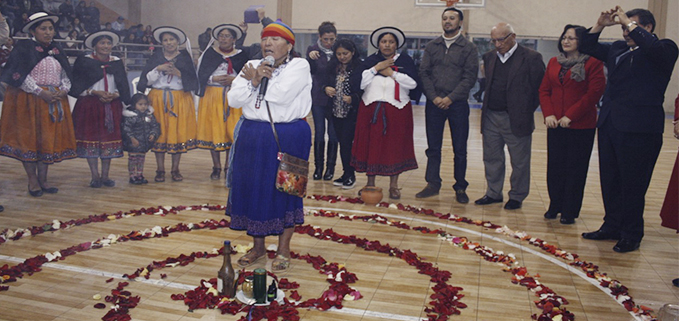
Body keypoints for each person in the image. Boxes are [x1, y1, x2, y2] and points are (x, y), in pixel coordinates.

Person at [579, 6, 678, 252]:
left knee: (633, 184)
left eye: (630, 26)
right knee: (610, 179)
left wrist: (628, 22)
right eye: (623, 27)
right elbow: (589, 46)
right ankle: (611, 225)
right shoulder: (618, 49)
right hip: (611, 123)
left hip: (641, 128)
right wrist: (601, 23)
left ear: (648, 27)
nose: (625, 31)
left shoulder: (664, 48)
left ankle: (631, 233)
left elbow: (653, 48)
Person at [226, 20, 311, 273]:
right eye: (265, 39)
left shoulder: (300, 65)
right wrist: (253, 81)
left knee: (287, 189)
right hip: (252, 134)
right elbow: (233, 99)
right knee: (254, 189)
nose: (268, 44)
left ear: (289, 44)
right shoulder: (252, 65)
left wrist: (257, 81)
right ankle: (258, 247)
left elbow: (282, 95)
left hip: (289, 134)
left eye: (275, 39)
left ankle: (284, 249)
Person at [0, 12, 76, 197]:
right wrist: (41, 92)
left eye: (50, 28)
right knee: (30, 141)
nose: (48, 32)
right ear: (33, 31)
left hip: (53, 100)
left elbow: (66, 75)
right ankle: (32, 181)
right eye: (43, 28)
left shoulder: (57, 49)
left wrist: (63, 90)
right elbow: (19, 76)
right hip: (30, 101)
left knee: (46, 140)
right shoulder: (24, 48)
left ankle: (44, 179)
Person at [539, 24, 606, 224]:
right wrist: (549, 113)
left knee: (575, 169)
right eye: (564, 37)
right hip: (555, 125)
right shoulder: (553, 62)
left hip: (580, 126)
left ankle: (569, 211)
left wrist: (571, 115)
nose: (566, 41)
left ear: (581, 42)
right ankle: (555, 205)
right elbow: (544, 90)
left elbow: (594, 93)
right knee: (555, 168)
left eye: (572, 38)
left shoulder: (593, 63)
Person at [474, 22, 545, 210]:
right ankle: (493, 193)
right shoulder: (489, 57)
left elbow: (541, 89)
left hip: (516, 118)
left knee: (520, 161)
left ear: (513, 36)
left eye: (501, 40)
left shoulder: (531, 57)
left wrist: (525, 110)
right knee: (491, 158)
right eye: (494, 40)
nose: (497, 44)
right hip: (491, 116)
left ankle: (517, 195)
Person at [416, 7, 478, 203]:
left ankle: (460, 187)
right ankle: (432, 184)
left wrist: (450, 98)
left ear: (460, 22)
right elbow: (423, 72)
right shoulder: (432, 46)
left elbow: (470, 77)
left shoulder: (469, 48)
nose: (447, 21)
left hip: (457, 105)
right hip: (434, 104)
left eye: (452, 18)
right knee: (433, 147)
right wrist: (433, 97)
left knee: (460, 148)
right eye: (444, 18)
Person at [351, 26, 420, 200]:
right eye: (384, 42)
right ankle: (370, 183)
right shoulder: (370, 61)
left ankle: (394, 186)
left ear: (396, 44)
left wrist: (391, 73)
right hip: (371, 109)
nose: (387, 45)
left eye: (391, 42)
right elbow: (359, 82)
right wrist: (377, 68)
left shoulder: (405, 61)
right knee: (371, 146)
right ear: (378, 44)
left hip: (397, 110)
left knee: (394, 147)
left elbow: (413, 83)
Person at [69, 30, 131, 188]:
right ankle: (94, 176)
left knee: (107, 141)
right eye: (102, 43)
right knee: (92, 140)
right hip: (89, 105)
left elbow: (122, 84)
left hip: (111, 105)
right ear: (95, 45)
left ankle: (105, 176)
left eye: (108, 43)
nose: (106, 46)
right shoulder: (84, 61)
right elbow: (76, 85)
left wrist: (116, 95)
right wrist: (94, 92)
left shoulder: (116, 61)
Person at [137, 26, 198, 182]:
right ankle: (160, 169)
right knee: (160, 133)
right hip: (158, 98)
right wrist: (158, 69)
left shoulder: (185, 58)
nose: (169, 43)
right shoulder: (156, 57)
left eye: (171, 39)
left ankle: (175, 169)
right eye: (165, 40)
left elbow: (192, 82)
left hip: (179, 98)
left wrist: (179, 73)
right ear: (161, 42)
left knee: (176, 133)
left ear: (177, 41)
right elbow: (146, 80)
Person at [196, 23, 248, 180]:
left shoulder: (241, 55)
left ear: (234, 39)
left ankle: (229, 165)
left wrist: (234, 79)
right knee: (215, 129)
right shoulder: (210, 54)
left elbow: (248, 75)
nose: (224, 39)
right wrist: (213, 78)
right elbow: (200, 75)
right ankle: (216, 166)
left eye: (227, 36)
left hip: (233, 96)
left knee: (232, 131)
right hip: (213, 95)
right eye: (221, 36)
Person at [323, 38, 362, 189]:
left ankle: (350, 175)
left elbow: (364, 89)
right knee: (342, 144)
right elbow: (323, 83)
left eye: (345, 53)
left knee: (347, 144)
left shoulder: (359, 67)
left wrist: (353, 98)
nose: (342, 57)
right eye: (339, 54)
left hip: (351, 113)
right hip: (335, 111)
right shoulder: (332, 66)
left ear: (352, 52)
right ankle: (346, 173)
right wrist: (325, 88)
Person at [307, 21, 338, 181]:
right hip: (318, 97)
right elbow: (311, 72)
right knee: (319, 133)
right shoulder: (312, 51)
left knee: (333, 134)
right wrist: (310, 58)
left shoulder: (339, 50)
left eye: (332, 39)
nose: (329, 42)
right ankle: (318, 168)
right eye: (326, 39)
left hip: (335, 97)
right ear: (320, 37)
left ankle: (330, 169)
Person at [122, 93, 160, 185]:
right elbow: (126, 129)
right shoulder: (131, 117)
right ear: (134, 105)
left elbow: (155, 126)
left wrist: (153, 134)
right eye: (140, 104)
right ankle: (132, 175)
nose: (143, 107)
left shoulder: (149, 116)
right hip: (134, 144)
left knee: (141, 160)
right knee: (133, 159)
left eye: (145, 104)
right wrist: (132, 139)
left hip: (144, 143)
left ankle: (140, 175)